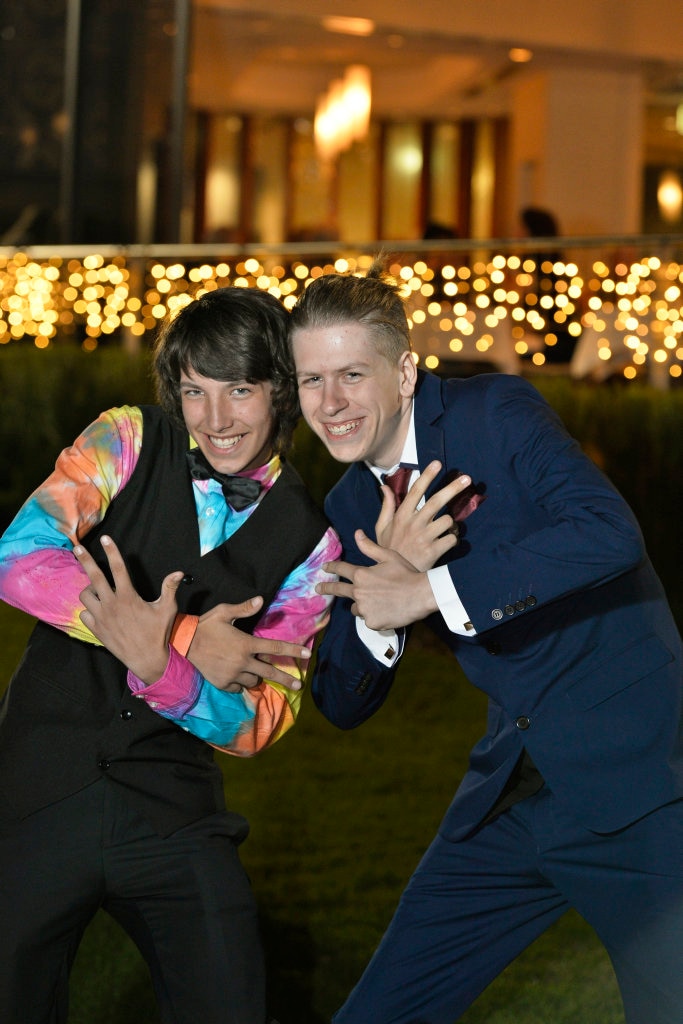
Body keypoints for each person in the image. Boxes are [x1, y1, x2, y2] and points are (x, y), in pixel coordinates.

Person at [287, 258, 683, 1024]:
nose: (329, 405)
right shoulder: (347, 505)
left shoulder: (494, 412)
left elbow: (607, 533)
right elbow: (338, 699)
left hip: (637, 783)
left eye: (350, 375)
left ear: (404, 372)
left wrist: (429, 591)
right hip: (508, 796)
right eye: (310, 381)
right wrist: (377, 615)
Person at [0, 286, 340, 1024]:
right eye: (195, 391)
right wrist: (179, 639)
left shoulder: (310, 540)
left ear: (281, 390)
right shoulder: (126, 439)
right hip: (38, 788)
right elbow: (20, 558)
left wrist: (168, 675)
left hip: (172, 810)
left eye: (240, 390)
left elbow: (261, 721)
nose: (215, 420)